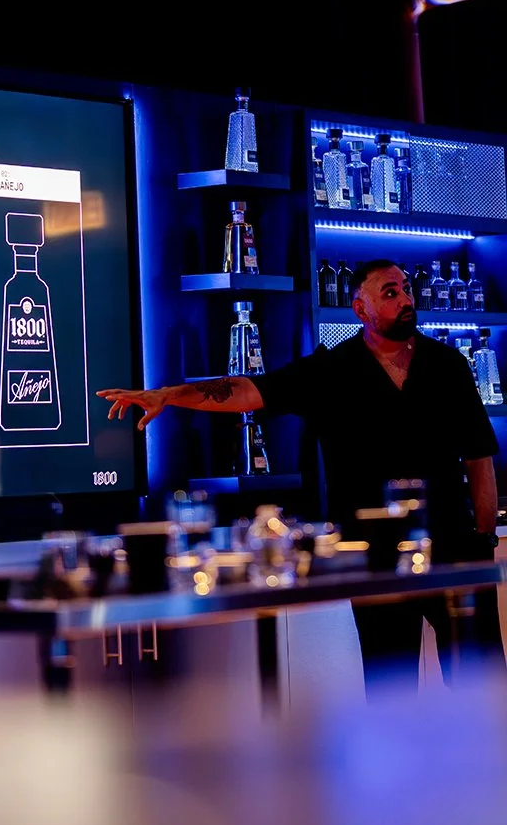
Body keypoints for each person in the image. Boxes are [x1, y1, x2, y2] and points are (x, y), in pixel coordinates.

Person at [98, 259, 506, 694]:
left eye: (405, 289)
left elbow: (479, 458)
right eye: (390, 293)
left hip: (454, 546)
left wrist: (483, 541)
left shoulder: (448, 365)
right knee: (391, 688)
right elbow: (245, 391)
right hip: (374, 555)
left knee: (482, 689)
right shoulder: (330, 371)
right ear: (360, 309)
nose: (405, 300)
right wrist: (168, 395)